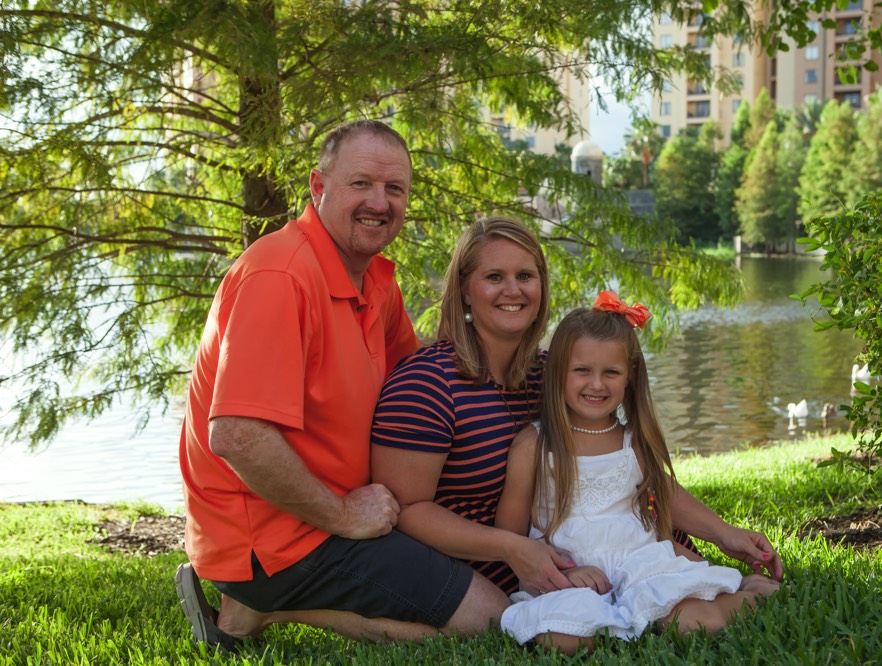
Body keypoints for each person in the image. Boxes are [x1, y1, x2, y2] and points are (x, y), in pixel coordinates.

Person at [174, 119, 509, 650]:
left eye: (394, 188)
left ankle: (259, 606)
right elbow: (237, 435)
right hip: (277, 537)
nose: (379, 201)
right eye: (361, 184)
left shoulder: (374, 278)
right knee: (494, 623)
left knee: (494, 601)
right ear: (318, 186)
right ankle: (259, 608)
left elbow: (423, 378)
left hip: (347, 512)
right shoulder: (279, 276)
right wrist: (344, 516)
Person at [370, 219, 782, 619]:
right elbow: (405, 509)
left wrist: (724, 534)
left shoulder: (556, 375)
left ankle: (711, 587)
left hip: (610, 553)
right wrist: (513, 549)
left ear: (542, 287)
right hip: (493, 562)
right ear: (463, 289)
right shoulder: (426, 383)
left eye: (526, 276)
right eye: (494, 276)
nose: (513, 290)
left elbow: (633, 472)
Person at [495, 295, 781, 653]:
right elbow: (510, 534)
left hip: (641, 564)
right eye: (582, 370)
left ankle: (751, 593)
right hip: (572, 576)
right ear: (557, 372)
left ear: (630, 376)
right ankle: (612, 620)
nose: (596, 384)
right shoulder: (534, 445)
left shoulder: (633, 442)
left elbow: (669, 497)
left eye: (610, 372)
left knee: (693, 625)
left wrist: (727, 533)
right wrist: (563, 572)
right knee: (560, 639)